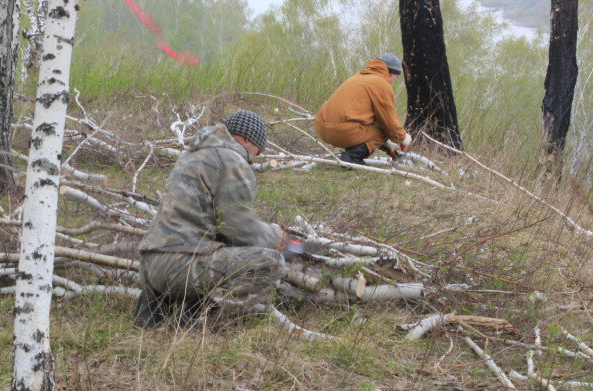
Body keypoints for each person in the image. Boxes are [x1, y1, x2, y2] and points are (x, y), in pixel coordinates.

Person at [134, 110, 292, 328]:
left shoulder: (192, 154)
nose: (254, 160)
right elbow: (239, 228)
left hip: (149, 266)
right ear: (246, 139)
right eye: (257, 151)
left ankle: (153, 311)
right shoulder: (232, 160)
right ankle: (202, 321)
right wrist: (275, 237)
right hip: (180, 268)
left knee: (214, 249)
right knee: (271, 262)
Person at [314, 53, 412, 166]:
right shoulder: (381, 84)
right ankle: (351, 158)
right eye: (397, 76)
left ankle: (351, 154)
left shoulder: (359, 77)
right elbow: (389, 123)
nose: (394, 80)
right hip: (339, 131)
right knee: (383, 132)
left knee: (371, 130)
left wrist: (390, 146)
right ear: (392, 72)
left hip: (322, 128)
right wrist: (404, 139)